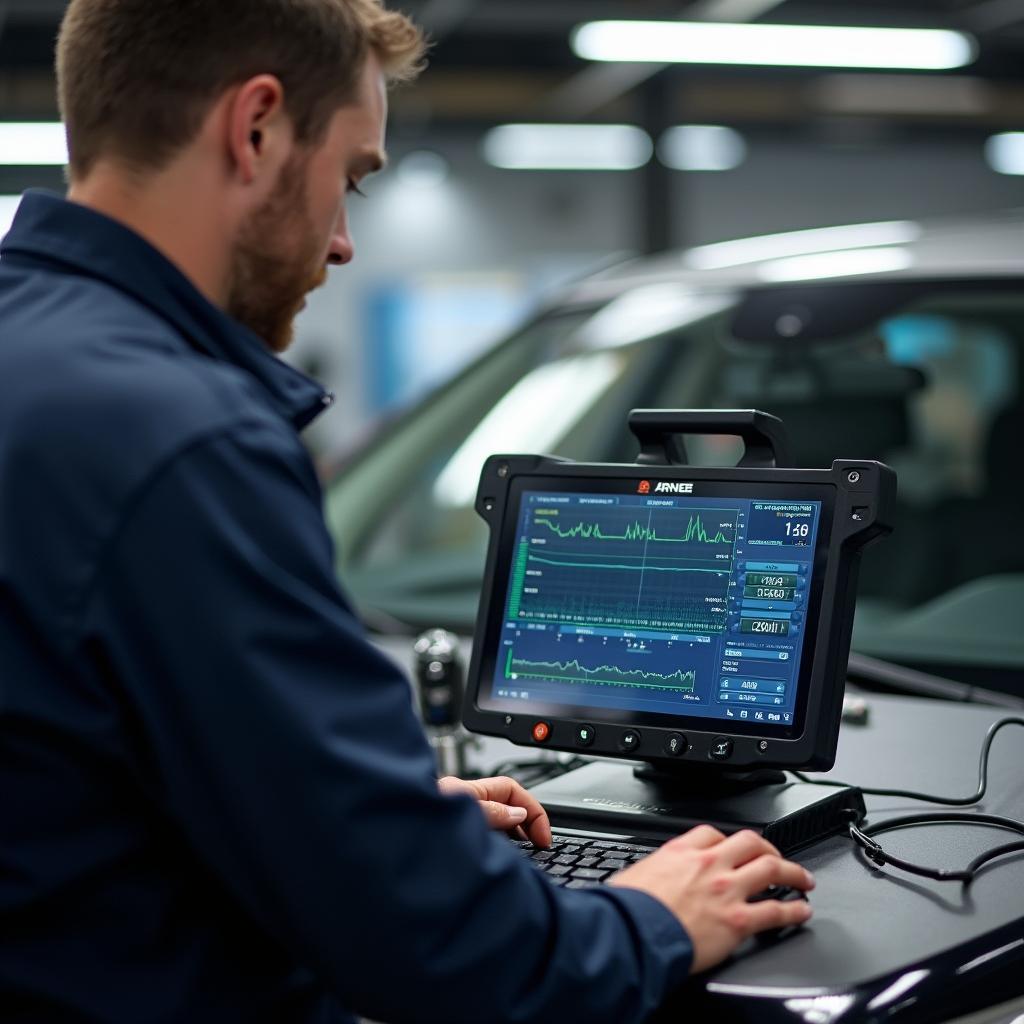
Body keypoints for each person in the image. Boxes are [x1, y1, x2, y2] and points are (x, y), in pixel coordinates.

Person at [0, 1, 814, 1021]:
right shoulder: (181, 436)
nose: (342, 242)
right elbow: (452, 955)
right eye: (350, 177)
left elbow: (57, 773)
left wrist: (348, 817)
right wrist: (651, 917)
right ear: (254, 128)